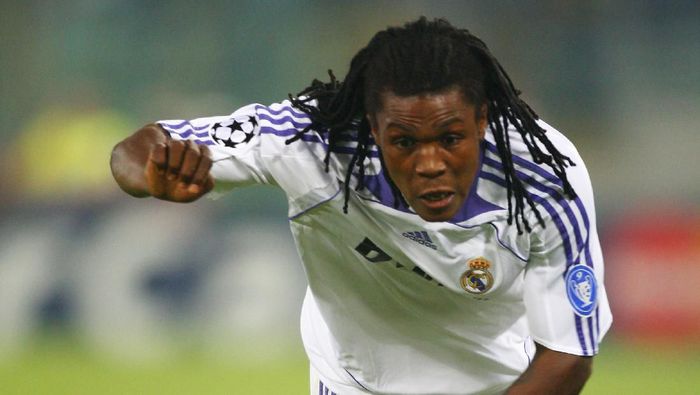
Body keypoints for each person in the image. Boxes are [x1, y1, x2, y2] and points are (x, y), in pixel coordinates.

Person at [111, 17, 611, 395]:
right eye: (404, 141)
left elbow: (568, 356)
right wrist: (151, 176)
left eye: (451, 138)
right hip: (355, 378)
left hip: (498, 381)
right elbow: (139, 148)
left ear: (482, 121)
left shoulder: (545, 177)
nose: (430, 163)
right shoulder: (311, 141)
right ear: (372, 129)